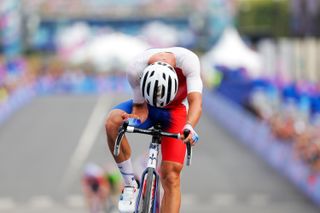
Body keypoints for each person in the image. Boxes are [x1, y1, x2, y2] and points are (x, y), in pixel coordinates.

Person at [105, 47, 203, 213]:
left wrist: (189, 126)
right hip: (146, 106)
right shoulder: (136, 67)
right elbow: (139, 106)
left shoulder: (189, 62)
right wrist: (135, 116)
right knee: (112, 122)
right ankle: (130, 185)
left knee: (171, 176)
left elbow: (196, 103)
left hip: (175, 113)